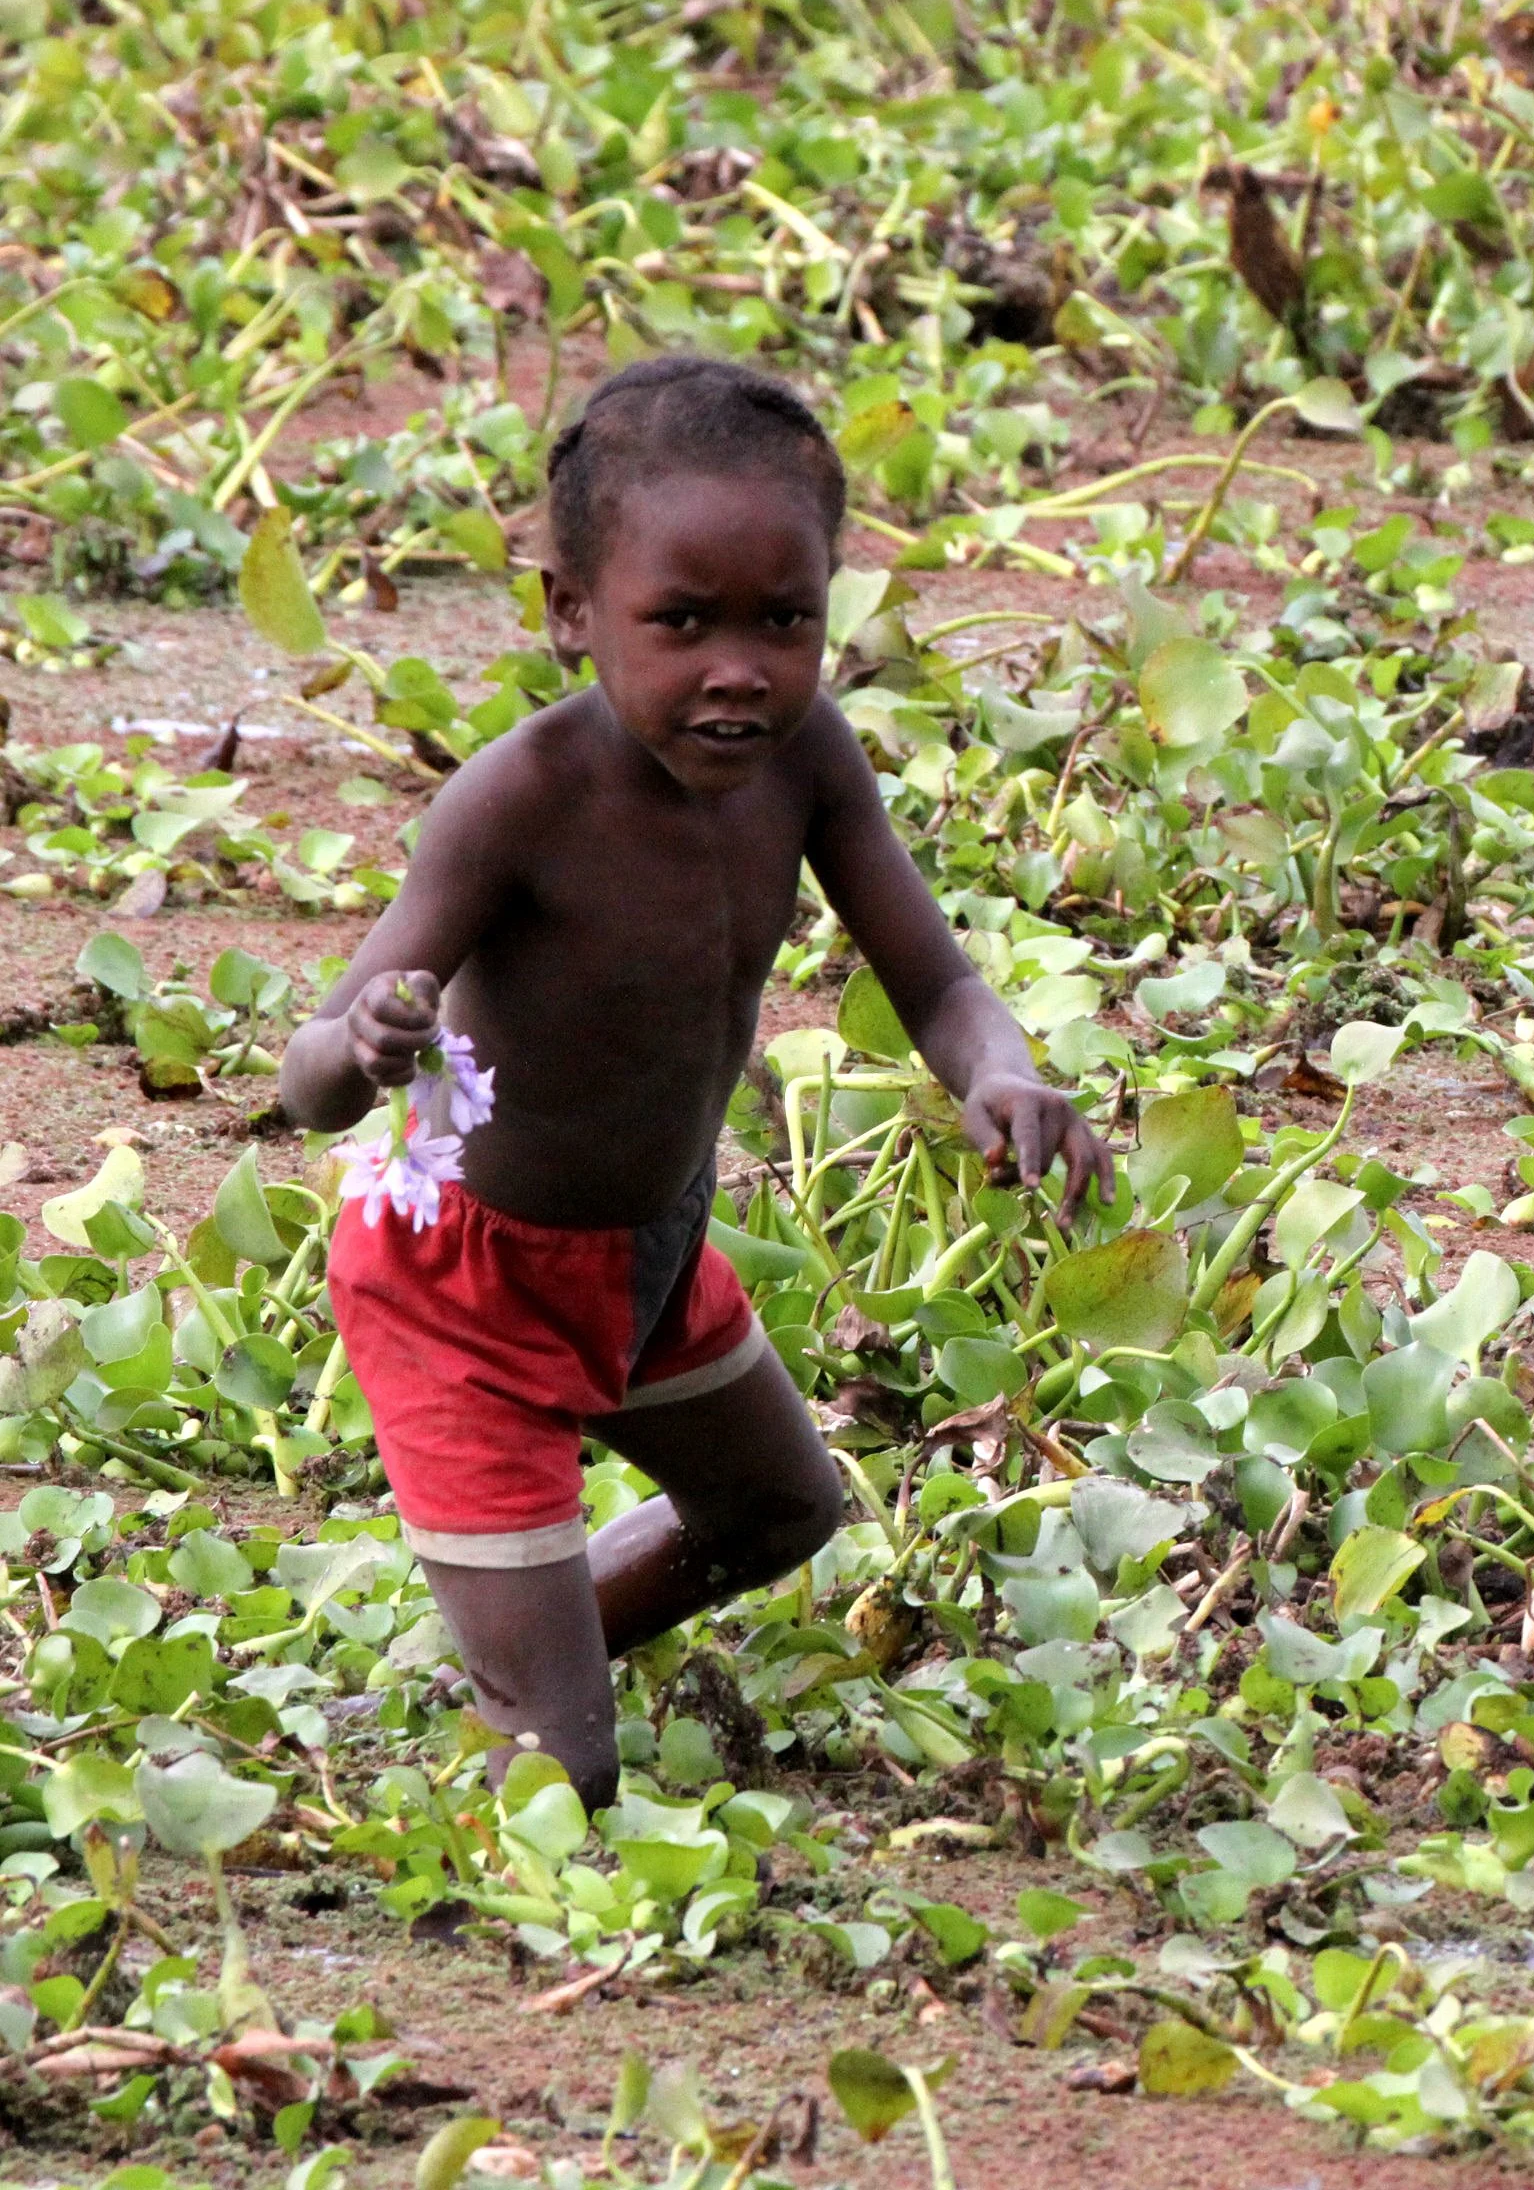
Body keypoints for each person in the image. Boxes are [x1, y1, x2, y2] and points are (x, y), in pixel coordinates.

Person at [280, 356, 1112, 1810]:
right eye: (681, 624)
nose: (741, 668)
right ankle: (536, 1709)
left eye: (784, 622)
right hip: (464, 1285)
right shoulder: (519, 799)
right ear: (570, 616)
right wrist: (361, 1050)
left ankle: (529, 1667)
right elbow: (307, 1081)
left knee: (780, 1510)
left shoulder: (809, 767)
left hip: (648, 1255)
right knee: (570, 1786)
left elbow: (940, 985)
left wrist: (1005, 1076)